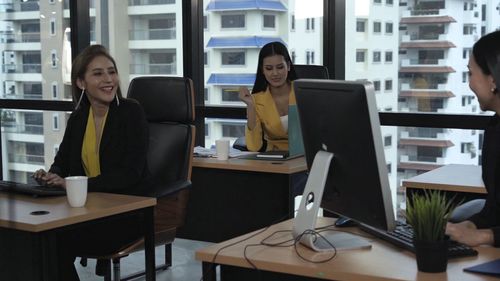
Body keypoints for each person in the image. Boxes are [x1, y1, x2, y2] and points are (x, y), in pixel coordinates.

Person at [33, 44, 151, 280]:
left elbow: (131, 174)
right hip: (88, 211)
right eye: (98, 74)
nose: (109, 79)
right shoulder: (78, 118)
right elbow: (62, 164)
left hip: (126, 215)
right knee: (36, 239)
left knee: (52, 240)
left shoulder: (131, 112)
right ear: (81, 83)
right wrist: (51, 176)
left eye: (111, 71)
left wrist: (79, 184)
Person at [445, 30, 500, 247]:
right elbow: (496, 210)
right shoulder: (495, 129)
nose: (469, 84)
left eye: (470, 73)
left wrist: (485, 236)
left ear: (493, 79)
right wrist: (472, 225)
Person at [239, 41, 298, 152]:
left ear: (288, 66)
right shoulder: (257, 100)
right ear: (263, 70)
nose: (275, 73)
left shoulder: (303, 92)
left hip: (307, 157)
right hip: (275, 158)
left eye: (280, 67)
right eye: (269, 68)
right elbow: (254, 147)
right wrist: (251, 105)